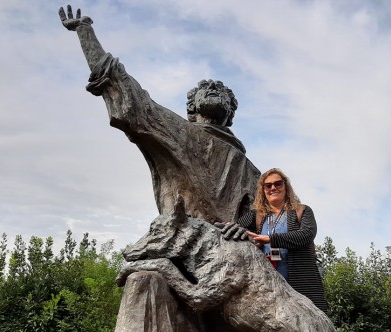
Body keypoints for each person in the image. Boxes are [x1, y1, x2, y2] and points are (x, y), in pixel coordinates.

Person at [59, 6, 259, 224]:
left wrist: (240, 229)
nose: (214, 89)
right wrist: (85, 32)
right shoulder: (177, 130)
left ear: (230, 113)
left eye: (222, 93)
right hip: (185, 230)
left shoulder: (248, 168)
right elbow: (131, 97)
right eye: (206, 89)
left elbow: (261, 212)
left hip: (233, 240)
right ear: (192, 110)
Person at [221, 168, 328, 313]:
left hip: (302, 284)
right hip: (269, 286)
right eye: (268, 185)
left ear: (286, 186)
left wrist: (270, 239)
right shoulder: (257, 215)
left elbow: (306, 235)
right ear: (263, 190)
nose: (273, 188)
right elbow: (235, 228)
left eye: (278, 184)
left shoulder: (302, 211)